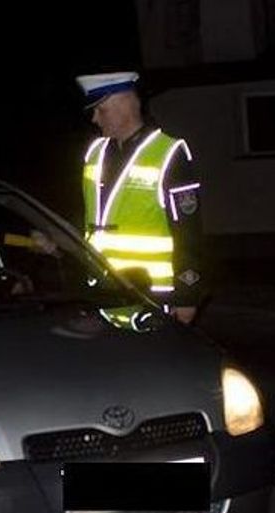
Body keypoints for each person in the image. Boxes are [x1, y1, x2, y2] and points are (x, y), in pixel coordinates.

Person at [75, 70, 205, 324]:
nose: (94, 119)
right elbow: (88, 215)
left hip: (153, 298)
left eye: (101, 110)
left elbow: (188, 232)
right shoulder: (94, 153)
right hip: (103, 294)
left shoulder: (168, 152)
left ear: (125, 105)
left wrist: (187, 296)